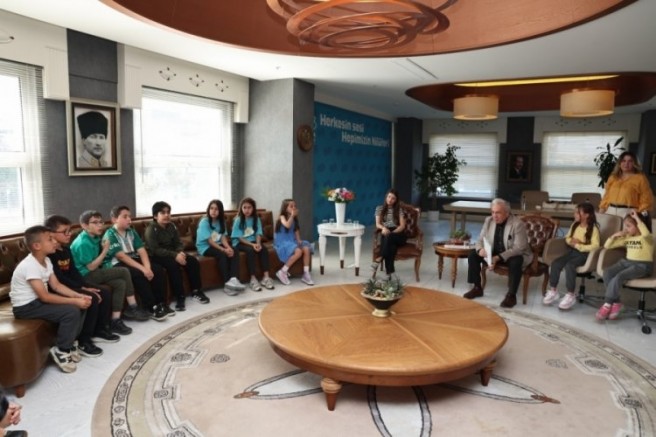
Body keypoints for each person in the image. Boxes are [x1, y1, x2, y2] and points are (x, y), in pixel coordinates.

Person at [9, 225, 91, 373]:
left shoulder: (47, 260)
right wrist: (73, 301)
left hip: (37, 302)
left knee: (82, 304)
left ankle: (70, 342)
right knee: (71, 311)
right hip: (25, 307)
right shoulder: (30, 265)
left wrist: (79, 296)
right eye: (50, 239)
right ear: (37, 246)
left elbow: (57, 285)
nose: (55, 242)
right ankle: (61, 350)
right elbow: (45, 296)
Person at [45, 215, 120, 352]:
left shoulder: (66, 250)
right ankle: (84, 340)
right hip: (60, 288)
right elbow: (59, 279)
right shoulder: (49, 254)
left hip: (73, 284)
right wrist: (81, 289)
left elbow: (73, 272)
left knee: (104, 292)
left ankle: (100, 330)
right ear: (50, 233)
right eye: (64, 232)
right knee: (92, 298)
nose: (69, 234)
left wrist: (84, 286)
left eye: (69, 231)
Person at [70, 210, 150, 334]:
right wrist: (105, 250)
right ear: (84, 225)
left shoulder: (95, 237)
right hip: (85, 276)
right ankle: (132, 307)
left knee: (120, 283)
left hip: (94, 271)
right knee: (124, 271)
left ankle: (115, 320)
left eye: (101, 222)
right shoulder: (82, 243)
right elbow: (91, 267)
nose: (100, 225)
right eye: (95, 223)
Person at [104, 205, 170, 321]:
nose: (129, 219)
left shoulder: (131, 231)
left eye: (129, 216)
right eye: (125, 217)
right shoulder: (110, 234)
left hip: (133, 259)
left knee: (157, 269)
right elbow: (121, 256)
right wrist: (143, 269)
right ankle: (150, 307)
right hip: (117, 263)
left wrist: (147, 268)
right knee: (138, 273)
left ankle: (161, 303)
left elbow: (142, 250)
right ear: (114, 219)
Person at [464, 198, 532, 308]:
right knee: (473, 254)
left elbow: (519, 248)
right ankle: (477, 288)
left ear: (507, 213)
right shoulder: (489, 220)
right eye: (493, 212)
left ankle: (511, 295)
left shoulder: (517, 224)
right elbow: (480, 240)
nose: (494, 216)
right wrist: (480, 250)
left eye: (498, 213)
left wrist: (497, 258)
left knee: (516, 261)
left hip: (511, 254)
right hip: (493, 252)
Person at [145, 201, 209, 310]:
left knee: (193, 261)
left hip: (173, 253)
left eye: (168, 212)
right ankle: (180, 296)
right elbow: (155, 250)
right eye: (163, 213)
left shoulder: (172, 226)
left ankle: (196, 291)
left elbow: (178, 243)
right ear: (155, 216)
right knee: (173, 265)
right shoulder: (151, 229)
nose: (166, 215)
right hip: (157, 256)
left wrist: (180, 252)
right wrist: (175, 255)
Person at [596, 210, 653, 321]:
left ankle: (607, 303)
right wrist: (614, 236)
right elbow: (607, 246)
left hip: (642, 265)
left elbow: (645, 233)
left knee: (619, 277)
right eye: (625, 226)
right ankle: (616, 302)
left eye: (629, 226)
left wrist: (637, 218)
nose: (626, 229)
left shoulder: (647, 238)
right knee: (607, 273)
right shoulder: (627, 238)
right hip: (627, 262)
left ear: (638, 226)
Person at [542, 203, 600, 310]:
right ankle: (553, 290)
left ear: (586, 215)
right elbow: (567, 238)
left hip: (584, 255)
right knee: (556, 263)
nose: (575, 214)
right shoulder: (575, 225)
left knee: (570, 265)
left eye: (578, 213)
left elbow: (595, 246)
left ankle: (570, 294)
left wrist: (579, 244)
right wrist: (572, 242)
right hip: (571, 251)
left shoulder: (593, 229)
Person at [196, 199, 246, 296]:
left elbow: (222, 237)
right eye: (211, 208)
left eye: (216, 209)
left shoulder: (221, 221)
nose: (213, 211)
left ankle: (234, 279)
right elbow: (209, 241)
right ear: (208, 209)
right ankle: (227, 284)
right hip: (205, 246)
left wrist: (228, 247)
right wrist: (223, 249)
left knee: (234, 250)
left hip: (218, 244)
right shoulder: (204, 222)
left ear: (220, 211)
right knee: (222, 254)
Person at [231, 197, 275, 292]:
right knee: (250, 251)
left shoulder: (256, 219)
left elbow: (258, 233)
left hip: (253, 241)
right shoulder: (238, 220)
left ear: (253, 208)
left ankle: (266, 277)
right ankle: (253, 279)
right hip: (239, 242)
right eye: (244, 207)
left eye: (249, 207)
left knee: (263, 249)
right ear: (241, 208)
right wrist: (252, 245)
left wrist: (258, 244)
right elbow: (239, 237)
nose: (247, 210)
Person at [599, 151, 653, 218]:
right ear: (619, 163)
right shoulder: (613, 177)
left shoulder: (640, 179)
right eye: (623, 161)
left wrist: (639, 215)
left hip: (629, 213)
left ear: (634, 163)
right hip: (610, 211)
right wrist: (601, 213)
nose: (626, 164)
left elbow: (646, 200)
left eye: (630, 161)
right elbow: (606, 196)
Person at [273, 198, 314, 286]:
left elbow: (296, 230)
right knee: (298, 251)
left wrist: (299, 240)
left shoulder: (294, 219)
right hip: (283, 241)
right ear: (285, 208)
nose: (294, 208)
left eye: (295, 206)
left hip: (292, 240)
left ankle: (306, 274)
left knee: (306, 249)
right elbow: (287, 225)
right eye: (291, 206)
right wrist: (292, 216)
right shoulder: (282, 217)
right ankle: (282, 271)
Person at [373, 189, 407, 280]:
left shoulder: (399, 210)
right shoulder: (379, 208)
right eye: (389, 197)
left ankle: (380, 257)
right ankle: (389, 273)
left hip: (398, 234)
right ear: (386, 197)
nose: (390, 200)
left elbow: (402, 226)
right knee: (391, 247)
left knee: (388, 237)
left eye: (393, 198)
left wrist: (392, 233)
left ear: (396, 200)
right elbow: (377, 224)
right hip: (386, 231)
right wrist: (383, 228)